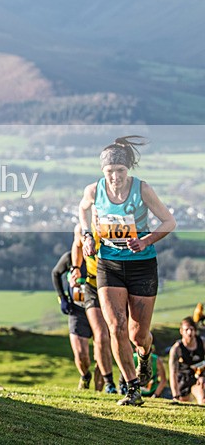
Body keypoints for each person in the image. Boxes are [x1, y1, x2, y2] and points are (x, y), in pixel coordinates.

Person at [79, 136, 176, 406]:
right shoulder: (93, 190)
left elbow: (170, 221)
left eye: (120, 171)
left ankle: (144, 355)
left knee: (137, 334)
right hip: (109, 264)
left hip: (142, 265)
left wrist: (145, 240)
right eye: (110, 171)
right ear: (103, 171)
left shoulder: (142, 190)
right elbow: (82, 210)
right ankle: (131, 388)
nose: (115, 176)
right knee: (116, 327)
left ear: (127, 170)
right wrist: (87, 236)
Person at [51, 226, 116, 393]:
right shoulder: (69, 258)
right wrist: (62, 298)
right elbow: (55, 273)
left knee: (101, 348)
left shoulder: (97, 257)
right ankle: (85, 376)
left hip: (97, 307)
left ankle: (102, 389)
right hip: (77, 310)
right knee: (81, 353)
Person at [169, 317, 205, 404]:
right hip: (183, 379)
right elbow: (173, 372)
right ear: (181, 331)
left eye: (192, 329)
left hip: (198, 378)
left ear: (195, 330)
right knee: (182, 403)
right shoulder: (176, 348)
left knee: (203, 399)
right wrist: (175, 394)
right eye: (186, 329)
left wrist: (203, 376)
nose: (189, 332)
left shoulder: (202, 343)